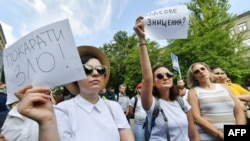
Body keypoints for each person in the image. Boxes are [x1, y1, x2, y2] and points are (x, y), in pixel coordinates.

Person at [133, 16, 200, 141]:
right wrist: (141, 39)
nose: (165, 77)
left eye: (168, 74)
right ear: (153, 83)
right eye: (160, 75)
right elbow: (146, 78)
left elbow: (193, 135)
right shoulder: (151, 104)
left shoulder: (182, 103)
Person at [54, 45, 134, 141]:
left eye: (100, 69)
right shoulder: (62, 110)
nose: (95, 73)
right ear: (76, 77)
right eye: (87, 69)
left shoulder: (114, 107)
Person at [187, 62, 246, 141]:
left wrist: (238, 134)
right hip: (208, 136)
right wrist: (220, 134)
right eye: (196, 71)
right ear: (194, 77)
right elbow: (196, 118)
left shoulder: (224, 87)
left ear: (208, 70)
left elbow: (239, 110)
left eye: (202, 68)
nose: (201, 71)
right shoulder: (193, 92)